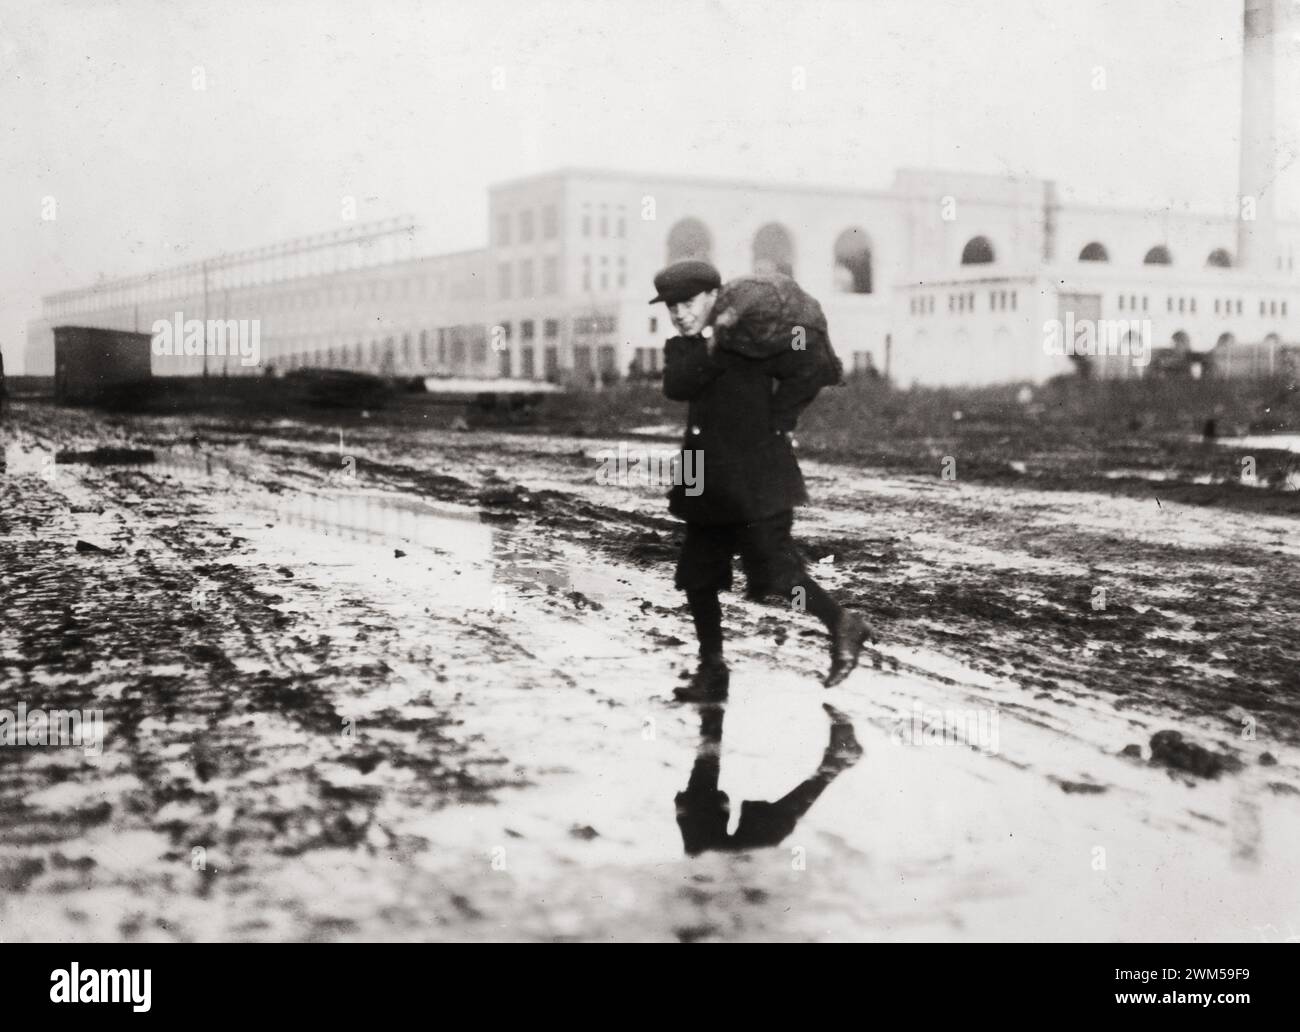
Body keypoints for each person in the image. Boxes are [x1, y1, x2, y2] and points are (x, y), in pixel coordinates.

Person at [653, 259, 874, 703]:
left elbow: (809, 368)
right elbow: (678, 385)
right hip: (706, 480)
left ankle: (842, 623)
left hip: (758, 475)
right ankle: (713, 671)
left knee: (775, 570)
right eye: (672, 306)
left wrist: (783, 416)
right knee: (698, 577)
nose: (679, 313)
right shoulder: (687, 347)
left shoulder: (753, 340)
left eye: (688, 302)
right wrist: (711, 343)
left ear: (715, 296)